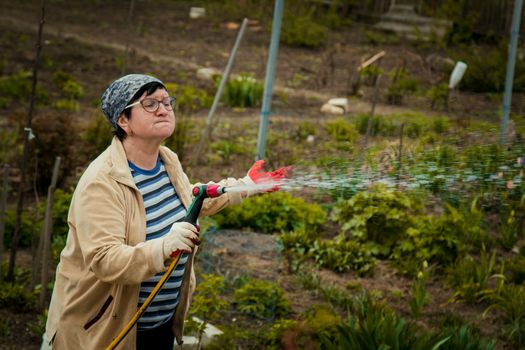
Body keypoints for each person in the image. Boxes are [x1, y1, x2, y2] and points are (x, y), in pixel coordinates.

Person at [45, 74, 290, 349]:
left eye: (166, 101)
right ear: (123, 121)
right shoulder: (102, 182)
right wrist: (164, 247)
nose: (163, 109)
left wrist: (244, 186)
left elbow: (190, 200)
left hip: (159, 326)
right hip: (107, 330)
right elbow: (105, 260)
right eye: (149, 103)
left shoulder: (165, 159)